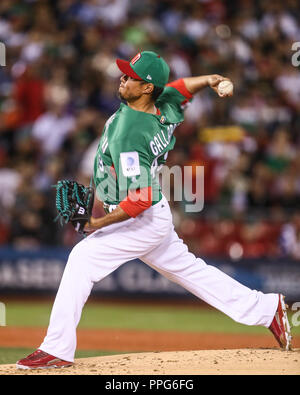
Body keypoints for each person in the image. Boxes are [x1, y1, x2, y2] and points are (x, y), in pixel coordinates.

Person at [17, 51, 292, 370]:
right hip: (153, 215)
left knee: (82, 258)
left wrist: (95, 223)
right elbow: (182, 87)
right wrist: (211, 79)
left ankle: (57, 348)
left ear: (147, 88)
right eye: (124, 73)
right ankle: (267, 308)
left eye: (130, 77)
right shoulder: (165, 100)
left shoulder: (132, 131)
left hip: (141, 217)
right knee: (190, 270)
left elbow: (141, 198)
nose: (122, 78)